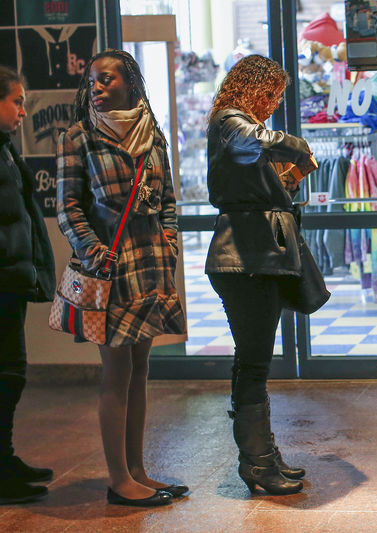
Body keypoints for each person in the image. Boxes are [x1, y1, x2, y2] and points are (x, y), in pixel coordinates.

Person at [56, 50, 186, 507]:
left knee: (141, 369)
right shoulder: (80, 137)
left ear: (129, 81)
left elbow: (169, 198)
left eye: (106, 79)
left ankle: (138, 470)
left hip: (150, 264)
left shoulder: (154, 138)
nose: (96, 87)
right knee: (116, 371)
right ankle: (118, 479)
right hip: (109, 268)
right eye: (92, 80)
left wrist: (169, 239)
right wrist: (92, 250)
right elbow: (67, 207)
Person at [205, 55, 318, 495]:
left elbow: (263, 181)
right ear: (250, 87)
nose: (272, 103)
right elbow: (254, 141)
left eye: (277, 97)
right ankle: (257, 463)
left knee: (254, 361)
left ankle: (264, 457)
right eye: (269, 93)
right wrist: (296, 146)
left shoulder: (237, 127)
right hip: (244, 256)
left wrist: (289, 176)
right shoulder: (230, 121)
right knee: (253, 362)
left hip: (255, 254)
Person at [0, 66, 56, 505]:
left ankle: (5, 458)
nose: (23, 111)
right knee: (7, 375)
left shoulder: (5, 149)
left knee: (11, 374)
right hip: (2, 281)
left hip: (11, 281)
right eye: (16, 101)